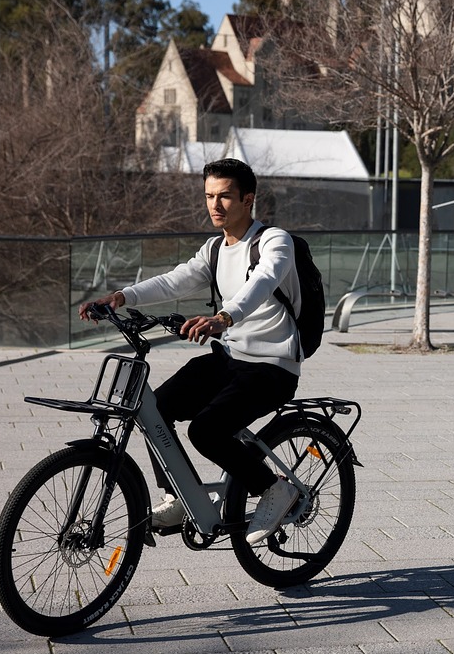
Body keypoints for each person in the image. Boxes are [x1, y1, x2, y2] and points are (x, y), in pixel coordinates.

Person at [79, 158, 302, 545]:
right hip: (231, 360)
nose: (215, 205)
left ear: (248, 199)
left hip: (272, 367)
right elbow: (175, 280)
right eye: (209, 196)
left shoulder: (273, 241)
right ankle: (177, 496)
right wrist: (121, 296)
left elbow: (265, 280)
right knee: (155, 409)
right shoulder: (214, 249)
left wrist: (225, 317)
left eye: (226, 197)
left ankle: (274, 488)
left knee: (206, 431)